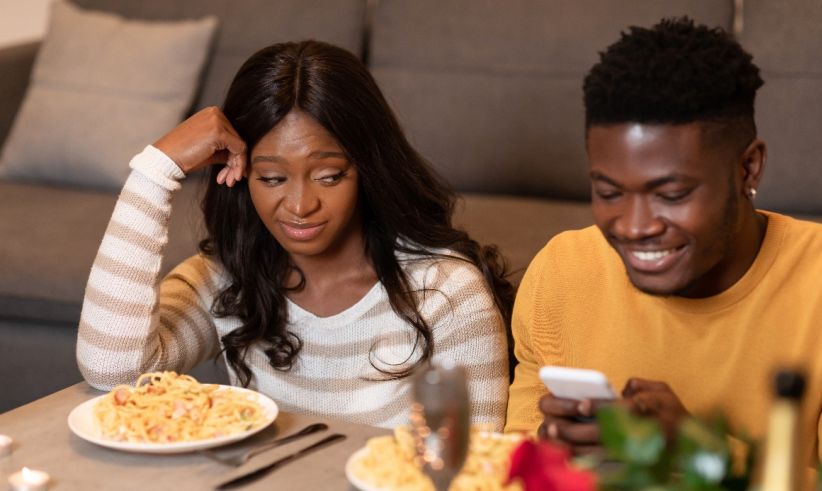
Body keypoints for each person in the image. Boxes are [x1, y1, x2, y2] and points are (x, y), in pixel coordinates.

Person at [76, 40, 513, 429]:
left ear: (368, 170)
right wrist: (156, 171)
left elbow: (470, 470)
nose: (301, 206)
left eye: (329, 175)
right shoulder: (223, 280)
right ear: (241, 175)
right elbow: (111, 370)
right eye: (271, 178)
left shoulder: (448, 293)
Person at [504, 17, 822, 477]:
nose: (634, 227)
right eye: (609, 192)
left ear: (748, 169)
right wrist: (551, 457)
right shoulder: (562, 272)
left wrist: (698, 456)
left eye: (672, 195)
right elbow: (505, 471)